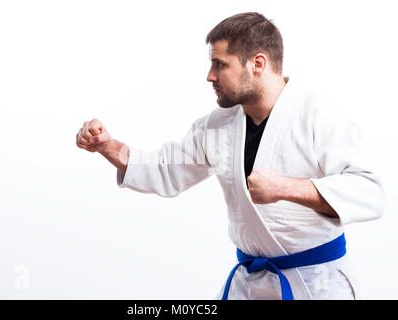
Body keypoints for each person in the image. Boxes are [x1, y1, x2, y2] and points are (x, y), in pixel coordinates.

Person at [75, 12, 385, 299]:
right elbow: (166, 169)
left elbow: (369, 192)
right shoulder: (219, 124)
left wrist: (286, 188)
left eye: (220, 64)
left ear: (257, 64)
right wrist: (108, 146)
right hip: (248, 284)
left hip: (316, 284)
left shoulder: (318, 114)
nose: (210, 76)